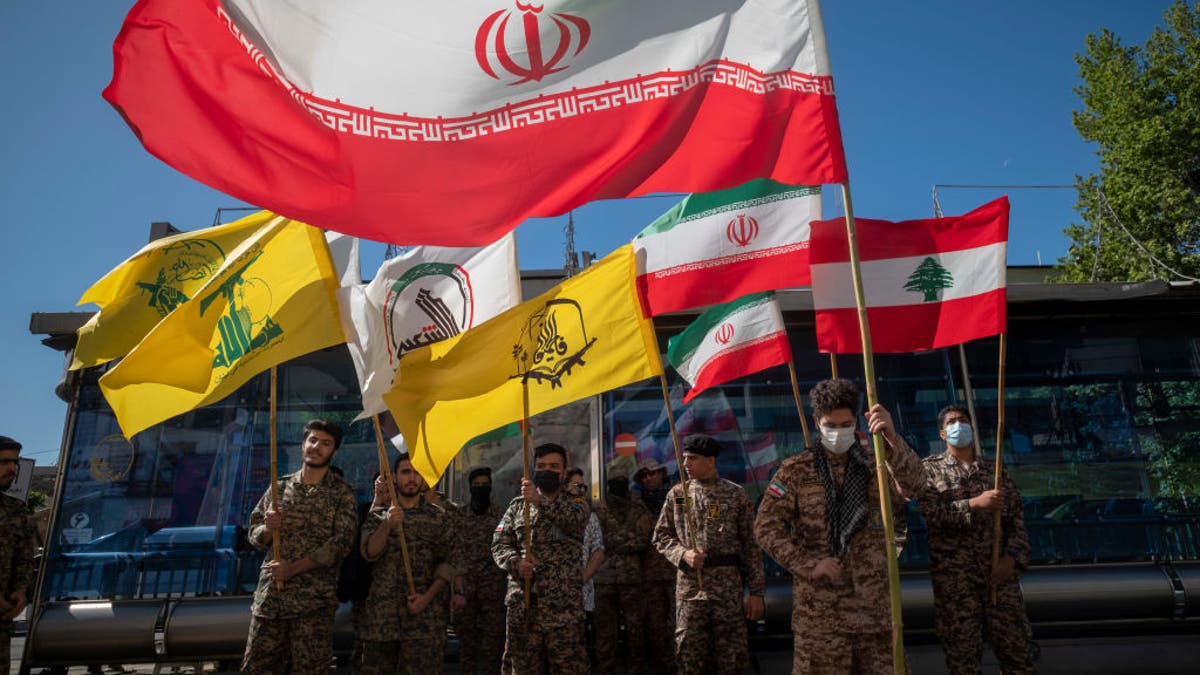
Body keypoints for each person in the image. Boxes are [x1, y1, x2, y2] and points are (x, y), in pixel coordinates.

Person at [753, 378, 924, 674]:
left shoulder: (877, 464)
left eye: (846, 424)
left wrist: (892, 438)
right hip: (821, 618)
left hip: (876, 615)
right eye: (831, 425)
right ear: (817, 423)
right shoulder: (796, 470)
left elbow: (915, 486)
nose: (839, 432)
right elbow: (765, 528)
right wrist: (809, 564)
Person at [920, 404, 1034, 674]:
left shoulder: (994, 470)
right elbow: (933, 515)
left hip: (998, 576)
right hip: (956, 582)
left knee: (1017, 654)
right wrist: (974, 503)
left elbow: (1016, 519)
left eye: (963, 420)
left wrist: (1012, 558)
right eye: (951, 422)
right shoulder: (930, 470)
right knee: (963, 659)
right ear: (942, 433)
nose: (958, 425)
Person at [242, 419, 358, 675]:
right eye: (312, 440)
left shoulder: (342, 494)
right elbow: (253, 534)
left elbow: (340, 544)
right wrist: (269, 529)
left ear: (334, 451)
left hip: (313, 605)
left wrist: (292, 569)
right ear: (302, 444)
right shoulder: (279, 486)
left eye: (325, 443)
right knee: (257, 667)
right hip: (271, 601)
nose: (317, 447)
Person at [652, 434, 765, 675]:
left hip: (727, 588)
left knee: (730, 655)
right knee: (689, 654)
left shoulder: (735, 494)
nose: (686, 465)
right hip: (691, 589)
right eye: (684, 459)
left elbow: (752, 546)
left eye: (692, 458)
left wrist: (756, 592)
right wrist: (682, 554)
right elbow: (660, 536)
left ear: (711, 461)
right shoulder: (677, 494)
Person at [492, 443, 590, 675]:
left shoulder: (577, 502)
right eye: (542, 466)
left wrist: (539, 501)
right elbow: (499, 544)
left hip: (563, 610)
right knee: (521, 668)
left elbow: (574, 522)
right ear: (534, 469)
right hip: (524, 607)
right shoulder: (517, 507)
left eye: (554, 466)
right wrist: (516, 563)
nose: (548, 470)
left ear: (564, 472)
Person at [358, 453, 459, 674]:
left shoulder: (439, 517)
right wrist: (387, 524)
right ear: (394, 477)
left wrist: (426, 598)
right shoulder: (377, 516)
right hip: (383, 621)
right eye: (405, 472)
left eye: (417, 473)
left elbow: (449, 562)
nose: (411, 478)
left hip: (424, 621)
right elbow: (369, 552)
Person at [593, 460, 654, 675]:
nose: (618, 484)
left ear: (627, 482)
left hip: (631, 579)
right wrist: (625, 540)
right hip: (604, 580)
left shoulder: (638, 507)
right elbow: (596, 540)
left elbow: (644, 539)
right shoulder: (598, 508)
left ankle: (636, 670)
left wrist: (614, 543)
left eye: (621, 480)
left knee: (635, 631)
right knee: (605, 633)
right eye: (614, 481)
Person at [456, 466, 507, 675]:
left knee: (492, 641)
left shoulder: (500, 516)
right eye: (476, 485)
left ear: (491, 487)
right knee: (466, 641)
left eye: (484, 485)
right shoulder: (460, 516)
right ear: (470, 488)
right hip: (466, 587)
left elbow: (506, 545)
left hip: (493, 587)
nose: (480, 489)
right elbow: (454, 550)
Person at [634, 457, 676, 674]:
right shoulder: (636, 504)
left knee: (678, 623)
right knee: (655, 626)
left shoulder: (677, 498)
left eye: (653, 473)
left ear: (662, 474)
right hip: (648, 574)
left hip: (676, 571)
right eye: (644, 475)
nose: (649, 478)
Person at [564, 465, 605, 668]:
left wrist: (583, 577)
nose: (580, 490)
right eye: (576, 485)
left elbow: (598, 551)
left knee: (581, 649)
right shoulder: (550, 514)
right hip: (555, 598)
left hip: (582, 594)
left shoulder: (590, 517)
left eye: (583, 486)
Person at [1, 436, 35, 675]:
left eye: (15, 463)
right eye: (4, 462)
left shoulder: (15, 509)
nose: (12, 469)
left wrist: (21, 592)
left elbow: (24, 557)